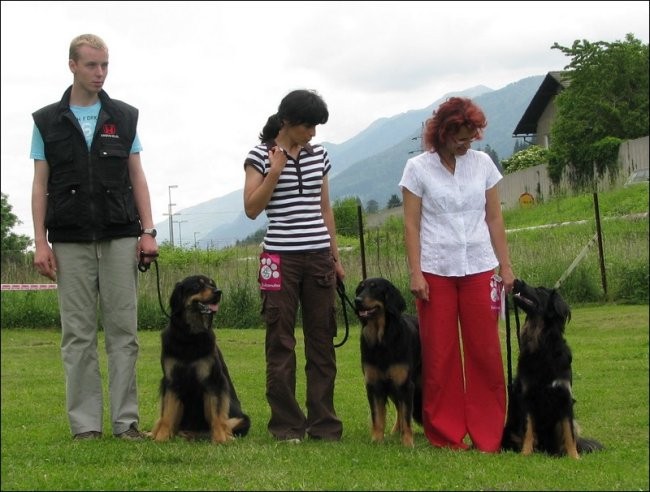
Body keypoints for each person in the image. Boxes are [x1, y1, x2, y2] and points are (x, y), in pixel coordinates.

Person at [30, 34, 158, 440]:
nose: (100, 73)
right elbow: (39, 184)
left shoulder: (123, 117)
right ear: (72, 65)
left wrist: (148, 231)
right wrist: (40, 241)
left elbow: (137, 176)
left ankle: (127, 423)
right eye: (91, 65)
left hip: (121, 235)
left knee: (124, 333)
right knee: (78, 336)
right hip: (68, 239)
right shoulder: (46, 120)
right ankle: (85, 427)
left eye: (104, 65)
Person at [398, 96, 515, 453]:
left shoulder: (483, 165)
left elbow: (494, 218)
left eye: (471, 137)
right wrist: (416, 273)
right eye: (460, 138)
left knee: (485, 353)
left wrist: (505, 266)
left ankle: (489, 433)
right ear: (442, 134)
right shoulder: (417, 169)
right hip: (436, 271)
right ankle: (446, 434)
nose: (467, 144)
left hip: (480, 267)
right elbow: (411, 225)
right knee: (440, 355)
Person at [243, 89, 345, 442]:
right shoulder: (259, 156)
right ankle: (286, 426)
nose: (312, 133)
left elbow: (325, 208)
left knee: (322, 341)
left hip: (318, 256)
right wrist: (274, 172)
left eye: (316, 126)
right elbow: (252, 209)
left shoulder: (320, 156)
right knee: (280, 342)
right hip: (278, 258)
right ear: (287, 122)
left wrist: (335, 255)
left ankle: (324, 425)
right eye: (307, 126)